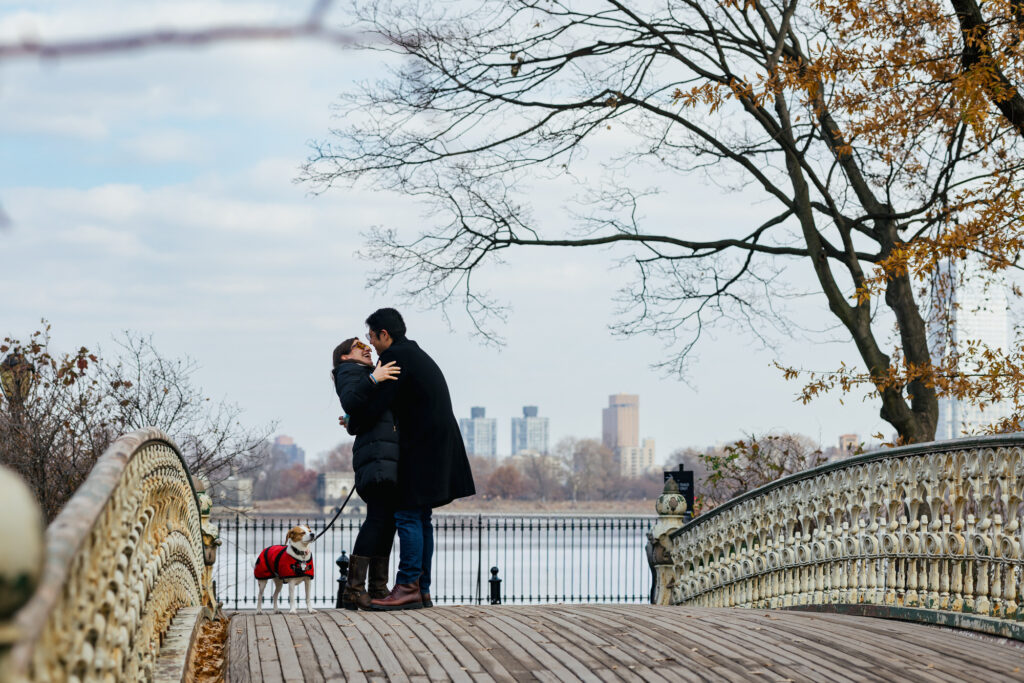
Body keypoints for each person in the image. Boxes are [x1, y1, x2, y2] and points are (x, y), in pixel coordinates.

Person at [359, 307, 476, 610]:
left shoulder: (394, 358)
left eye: (372, 338)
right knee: (421, 517)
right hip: (438, 443)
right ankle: (420, 589)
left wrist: (353, 418)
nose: (371, 345)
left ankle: (408, 585)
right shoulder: (414, 354)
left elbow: (378, 403)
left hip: (421, 445)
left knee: (408, 514)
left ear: (385, 334)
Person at [331, 337, 401, 609]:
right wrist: (375, 377)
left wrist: (352, 422)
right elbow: (350, 400)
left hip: (383, 455)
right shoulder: (349, 372)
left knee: (386, 521)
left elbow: (364, 412)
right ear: (345, 356)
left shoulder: (362, 373)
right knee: (377, 520)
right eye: (360, 346)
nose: (367, 348)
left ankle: (377, 587)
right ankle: (355, 588)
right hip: (376, 457)